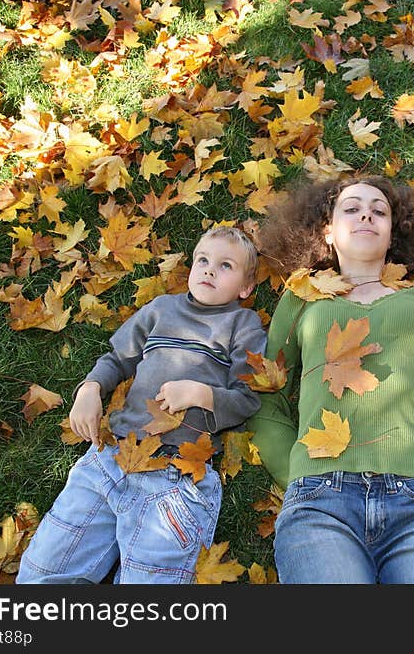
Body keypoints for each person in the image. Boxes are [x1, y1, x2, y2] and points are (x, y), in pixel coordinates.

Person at [247, 175, 414, 584]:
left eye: (379, 210)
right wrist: (296, 472)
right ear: (328, 232)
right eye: (351, 208)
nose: (366, 214)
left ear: (392, 234)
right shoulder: (303, 296)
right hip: (319, 501)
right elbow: (268, 390)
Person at [17, 226, 267, 583]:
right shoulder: (161, 309)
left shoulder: (243, 324)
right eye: (203, 260)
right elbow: (118, 358)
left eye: (226, 265)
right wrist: (89, 389)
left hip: (175, 475)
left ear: (245, 288)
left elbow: (248, 398)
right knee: (41, 574)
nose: (209, 270)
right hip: (112, 458)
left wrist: (200, 394)